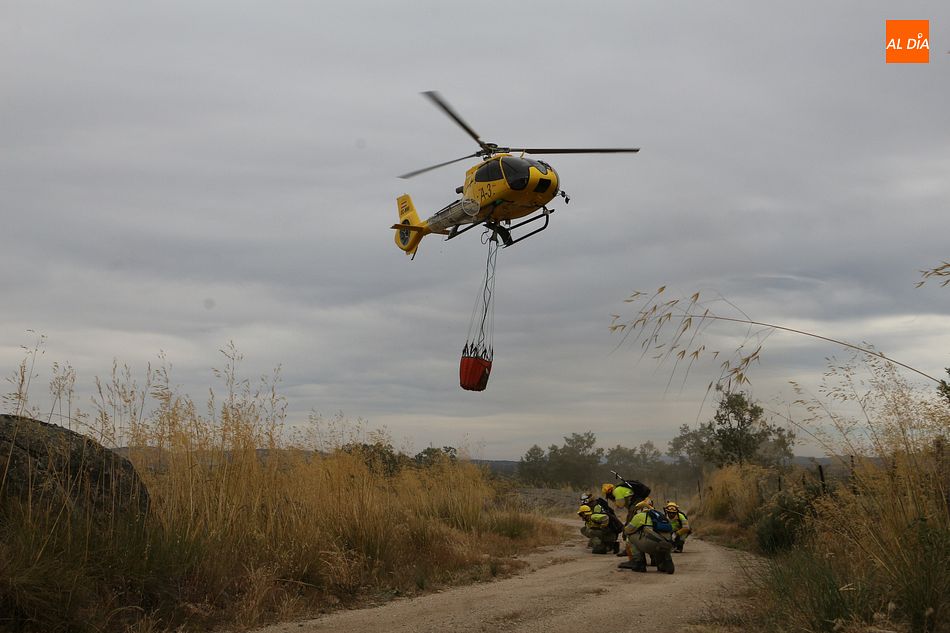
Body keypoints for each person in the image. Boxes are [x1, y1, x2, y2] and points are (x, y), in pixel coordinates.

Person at [618, 498, 675, 574]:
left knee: (631, 536)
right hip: (668, 543)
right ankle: (662, 564)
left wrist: (625, 528)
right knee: (658, 542)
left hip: (652, 544)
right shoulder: (660, 515)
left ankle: (639, 563)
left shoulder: (640, 516)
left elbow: (628, 531)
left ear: (640, 509)